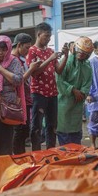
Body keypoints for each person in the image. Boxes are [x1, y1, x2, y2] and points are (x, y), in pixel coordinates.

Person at [26, 22, 68, 151]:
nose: (49, 39)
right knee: (37, 125)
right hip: (38, 93)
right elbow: (34, 73)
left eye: (50, 36)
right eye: (46, 36)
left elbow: (59, 71)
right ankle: (37, 153)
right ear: (39, 35)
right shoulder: (32, 51)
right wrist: (49, 59)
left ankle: (51, 151)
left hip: (52, 93)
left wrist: (66, 56)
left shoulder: (50, 51)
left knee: (52, 125)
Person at [0, 35, 24, 155]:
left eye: (4, 49)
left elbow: (18, 80)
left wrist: (1, 69)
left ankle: (7, 164)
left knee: (6, 139)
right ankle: (0, 164)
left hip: (7, 106)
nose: (1, 52)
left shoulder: (13, 61)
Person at [56, 36, 93, 146]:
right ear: (75, 49)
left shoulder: (87, 66)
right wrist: (72, 90)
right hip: (64, 103)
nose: (81, 54)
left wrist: (82, 93)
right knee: (64, 135)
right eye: (80, 50)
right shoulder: (66, 61)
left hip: (77, 104)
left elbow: (88, 83)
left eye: (85, 52)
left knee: (76, 136)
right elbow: (59, 80)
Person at [11, 33, 41, 154]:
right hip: (17, 100)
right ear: (19, 45)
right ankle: (18, 157)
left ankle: (21, 155)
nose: (28, 51)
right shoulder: (13, 60)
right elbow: (18, 80)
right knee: (19, 131)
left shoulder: (20, 59)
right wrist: (31, 69)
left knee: (23, 130)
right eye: (26, 48)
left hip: (25, 99)